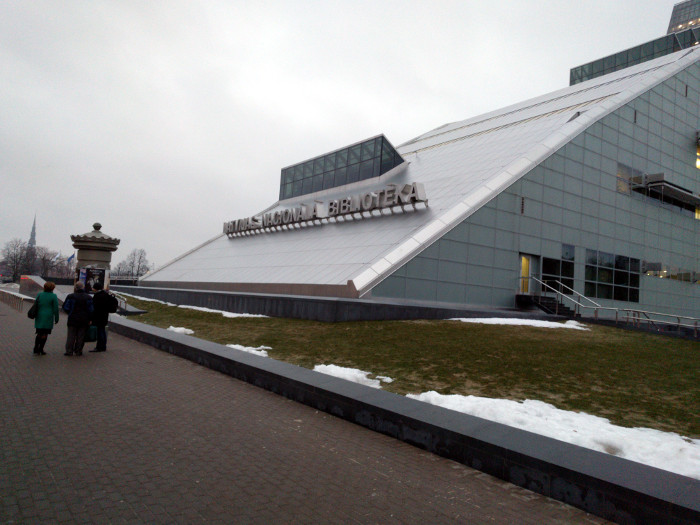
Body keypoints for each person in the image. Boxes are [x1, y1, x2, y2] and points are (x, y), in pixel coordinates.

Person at [62, 281, 94, 356]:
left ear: (75, 288)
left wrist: (70, 313)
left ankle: (69, 351)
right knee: (81, 336)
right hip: (84, 319)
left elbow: (65, 307)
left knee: (71, 336)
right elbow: (91, 310)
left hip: (72, 318)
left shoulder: (71, 296)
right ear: (83, 287)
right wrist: (90, 319)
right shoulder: (88, 297)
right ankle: (78, 351)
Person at [32, 281, 59, 355]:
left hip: (39, 316)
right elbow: (56, 309)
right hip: (48, 317)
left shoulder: (39, 295)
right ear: (52, 288)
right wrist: (56, 318)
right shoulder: (53, 296)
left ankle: (35, 348)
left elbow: (35, 304)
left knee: (39, 333)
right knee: (45, 334)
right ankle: (41, 349)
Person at [89, 282, 117, 352]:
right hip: (104, 316)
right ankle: (103, 346)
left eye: (93, 288)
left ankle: (99, 347)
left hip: (98, 317)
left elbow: (95, 308)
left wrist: (91, 317)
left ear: (96, 288)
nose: (92, 289)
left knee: (100, 332)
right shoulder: (105, 294)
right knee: (103, 331)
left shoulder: (98, 296)